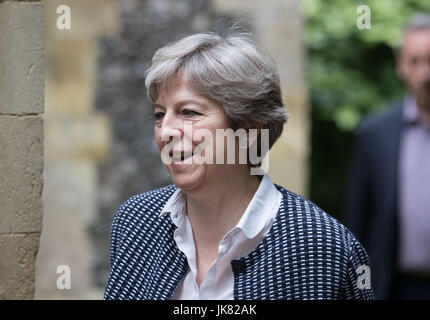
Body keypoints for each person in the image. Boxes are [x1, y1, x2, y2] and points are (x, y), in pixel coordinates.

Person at [104, 27, 374, 300]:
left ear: (248, 131)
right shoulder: (136, 222)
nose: (165, 131)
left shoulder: (324, 247)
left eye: (189, 112)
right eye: (159, 115)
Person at [345, 13, 430, 299]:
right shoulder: (375, 132)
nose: (425, 73)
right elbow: (358, 220)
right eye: (415, 61)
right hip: (393, 288)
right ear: (401, 66)